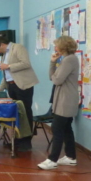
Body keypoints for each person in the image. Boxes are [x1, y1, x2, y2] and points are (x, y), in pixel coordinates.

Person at [38, 36, 80, 170]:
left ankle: (52, 160)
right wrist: (52, 62)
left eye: (57, 45)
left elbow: (57, 80)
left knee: (57, 129)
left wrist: (55, 73)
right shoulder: (67, 59)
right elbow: (52, 77)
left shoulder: (69, 60)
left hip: (65, 100)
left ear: (63, 46)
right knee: (66, 128)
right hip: (63, 99)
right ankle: (71, 157)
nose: (55, 48)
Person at [0, 35, 39, 151]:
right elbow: (7, 75)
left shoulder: (18, 48)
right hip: (11, 86)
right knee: (16, 113)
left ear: (2, 44)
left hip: (23, 85)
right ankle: (17, 140)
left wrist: (8, 66)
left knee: (25, 112)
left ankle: (26, 142)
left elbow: (26, 63)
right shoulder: (5, 54)